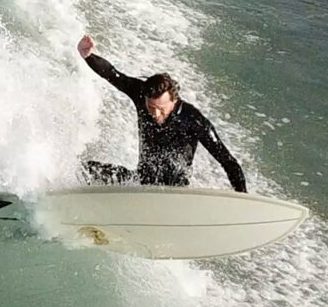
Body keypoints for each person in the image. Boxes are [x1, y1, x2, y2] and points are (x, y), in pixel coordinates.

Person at [77, 34, 247, 193]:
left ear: (174, 100)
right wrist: (88, 56)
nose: (156, 115)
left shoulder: (194, 120)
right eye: (151, 108)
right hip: (141, 184)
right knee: (83, 169)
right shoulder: (141, 94)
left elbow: (228, 161)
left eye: (162, 110)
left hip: (175, 194)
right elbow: (114, 75)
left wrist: (242, 197)